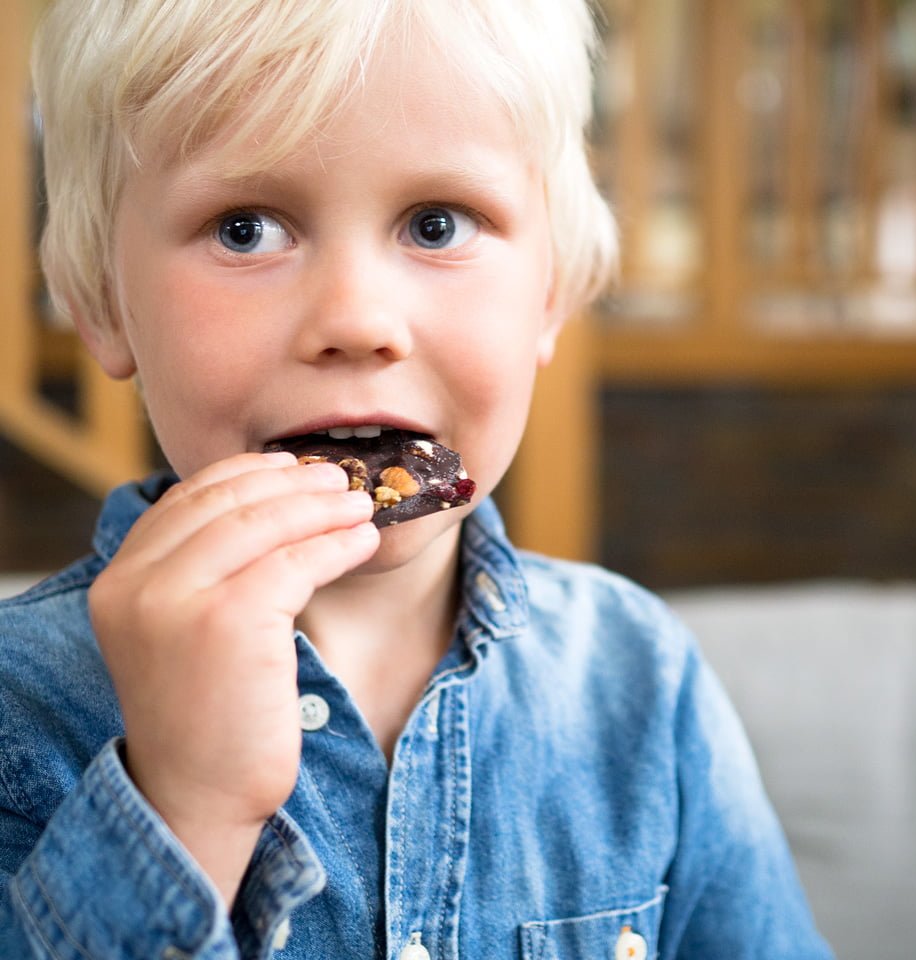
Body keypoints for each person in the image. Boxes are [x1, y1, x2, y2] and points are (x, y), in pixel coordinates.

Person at [1, 1, 832, 957]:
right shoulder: (17, 712)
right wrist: (179, 810)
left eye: (436, 224)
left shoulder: (645, 685)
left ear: (550, 294)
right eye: (244, 229)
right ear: (103, 303)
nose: (356, 318)